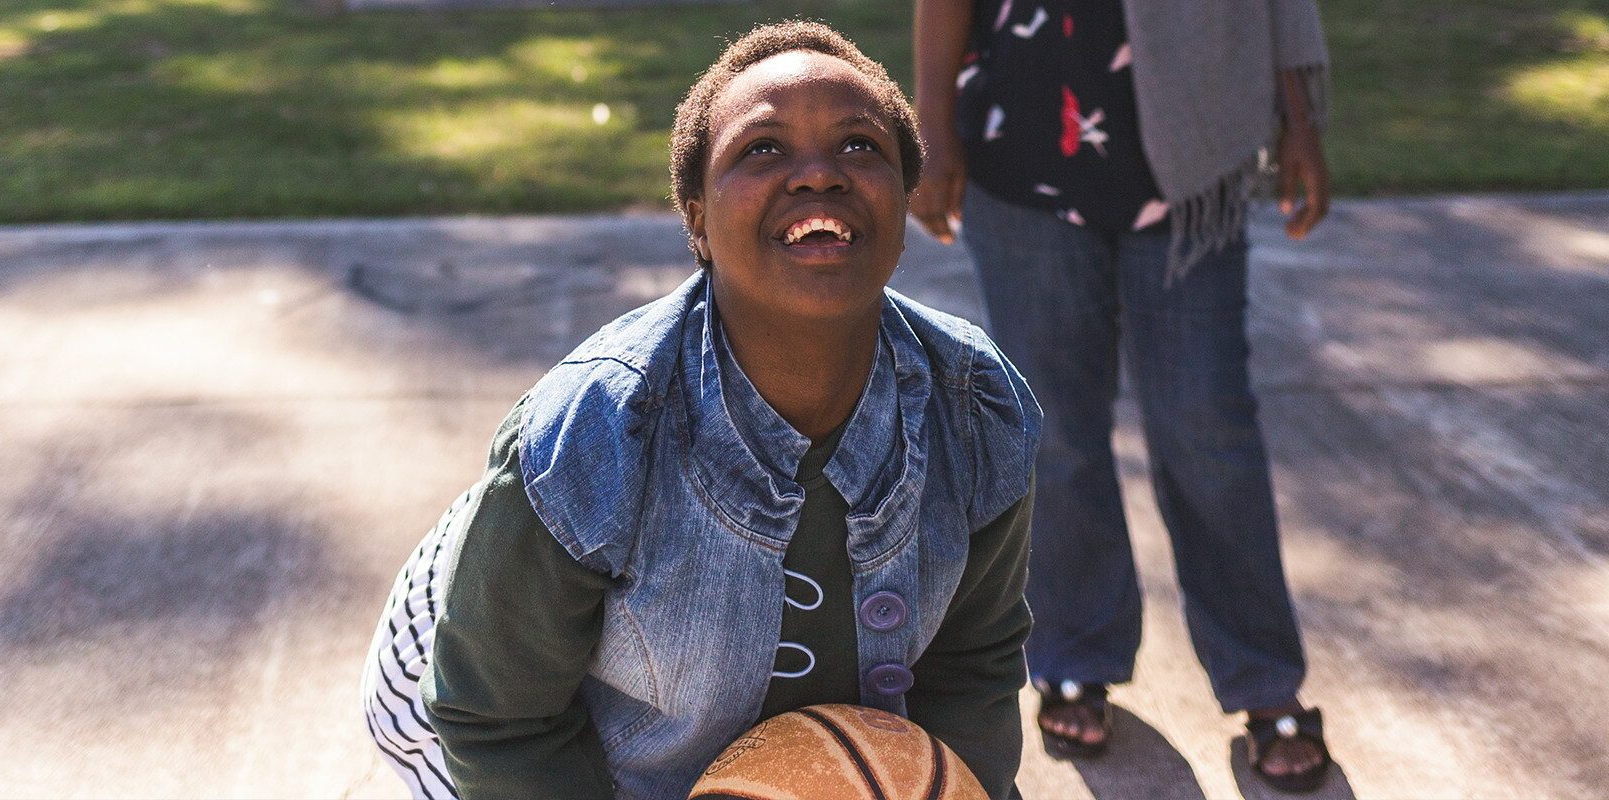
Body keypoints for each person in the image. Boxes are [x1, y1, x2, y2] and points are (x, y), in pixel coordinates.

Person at [361, 21, 1043, 800]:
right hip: (471, 695)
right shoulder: (593, 431)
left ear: (904, 193)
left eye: (860, 146)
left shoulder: (977, 406)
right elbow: (495, 717)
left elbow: (972, 665)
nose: (818, 174)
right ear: (695, 218)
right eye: (762, 148)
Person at [909, 0, 1336, 792]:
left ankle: (1265, 683)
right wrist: (931, 126)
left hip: (1189, 163)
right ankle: (1075, 656)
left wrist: (1299, 119)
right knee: (1056, 432)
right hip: (1023, 142)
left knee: (1208, 427)